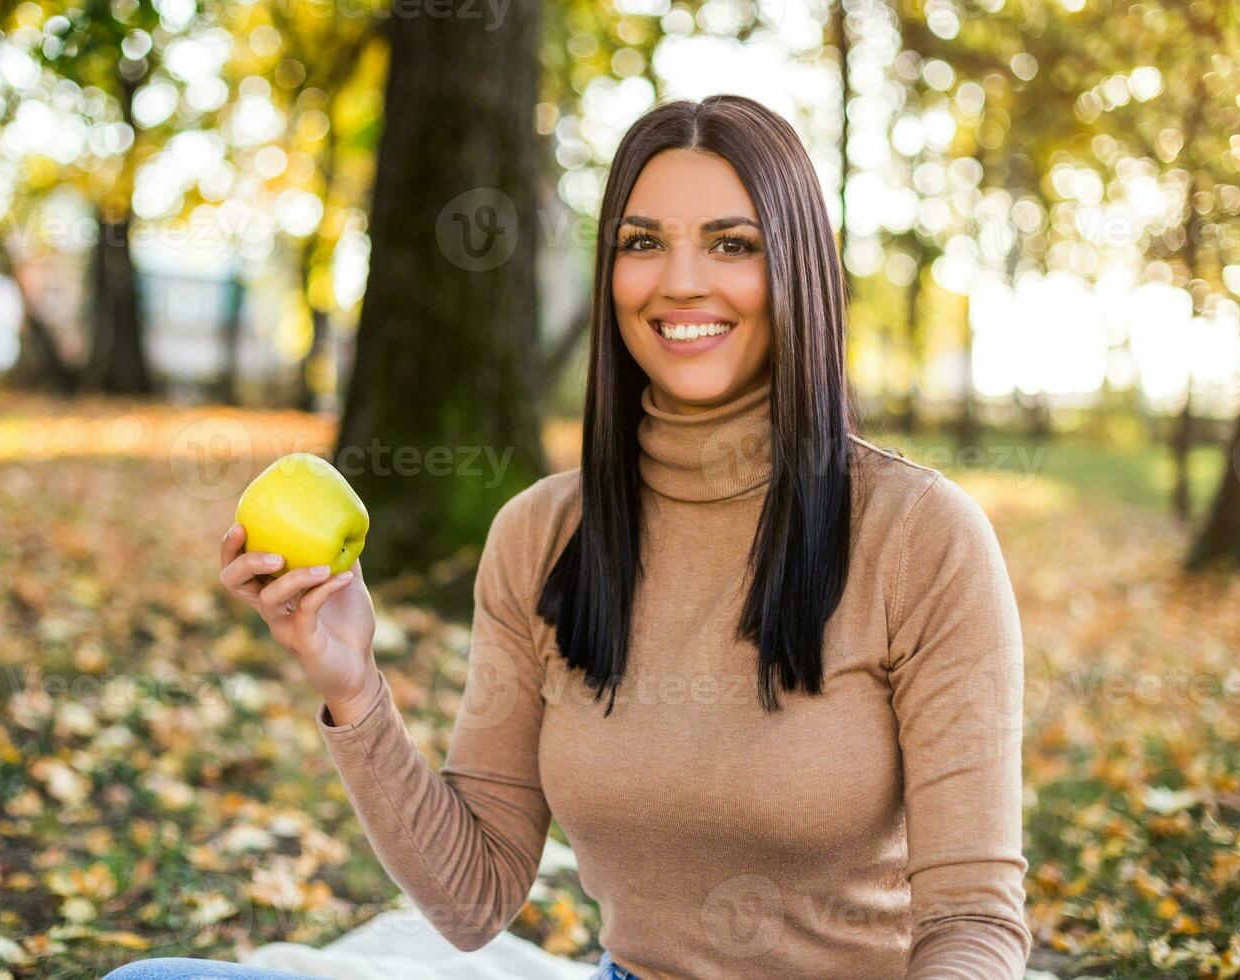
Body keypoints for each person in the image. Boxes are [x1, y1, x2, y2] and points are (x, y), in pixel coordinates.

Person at [115, 93, 1031, 980]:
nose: (680, 280)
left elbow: (972, 922)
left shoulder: (919, 537)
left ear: (797, 270)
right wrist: (352, 685)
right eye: (643, 243)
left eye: (732, 243)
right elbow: (474, 900)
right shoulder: (541, 534)